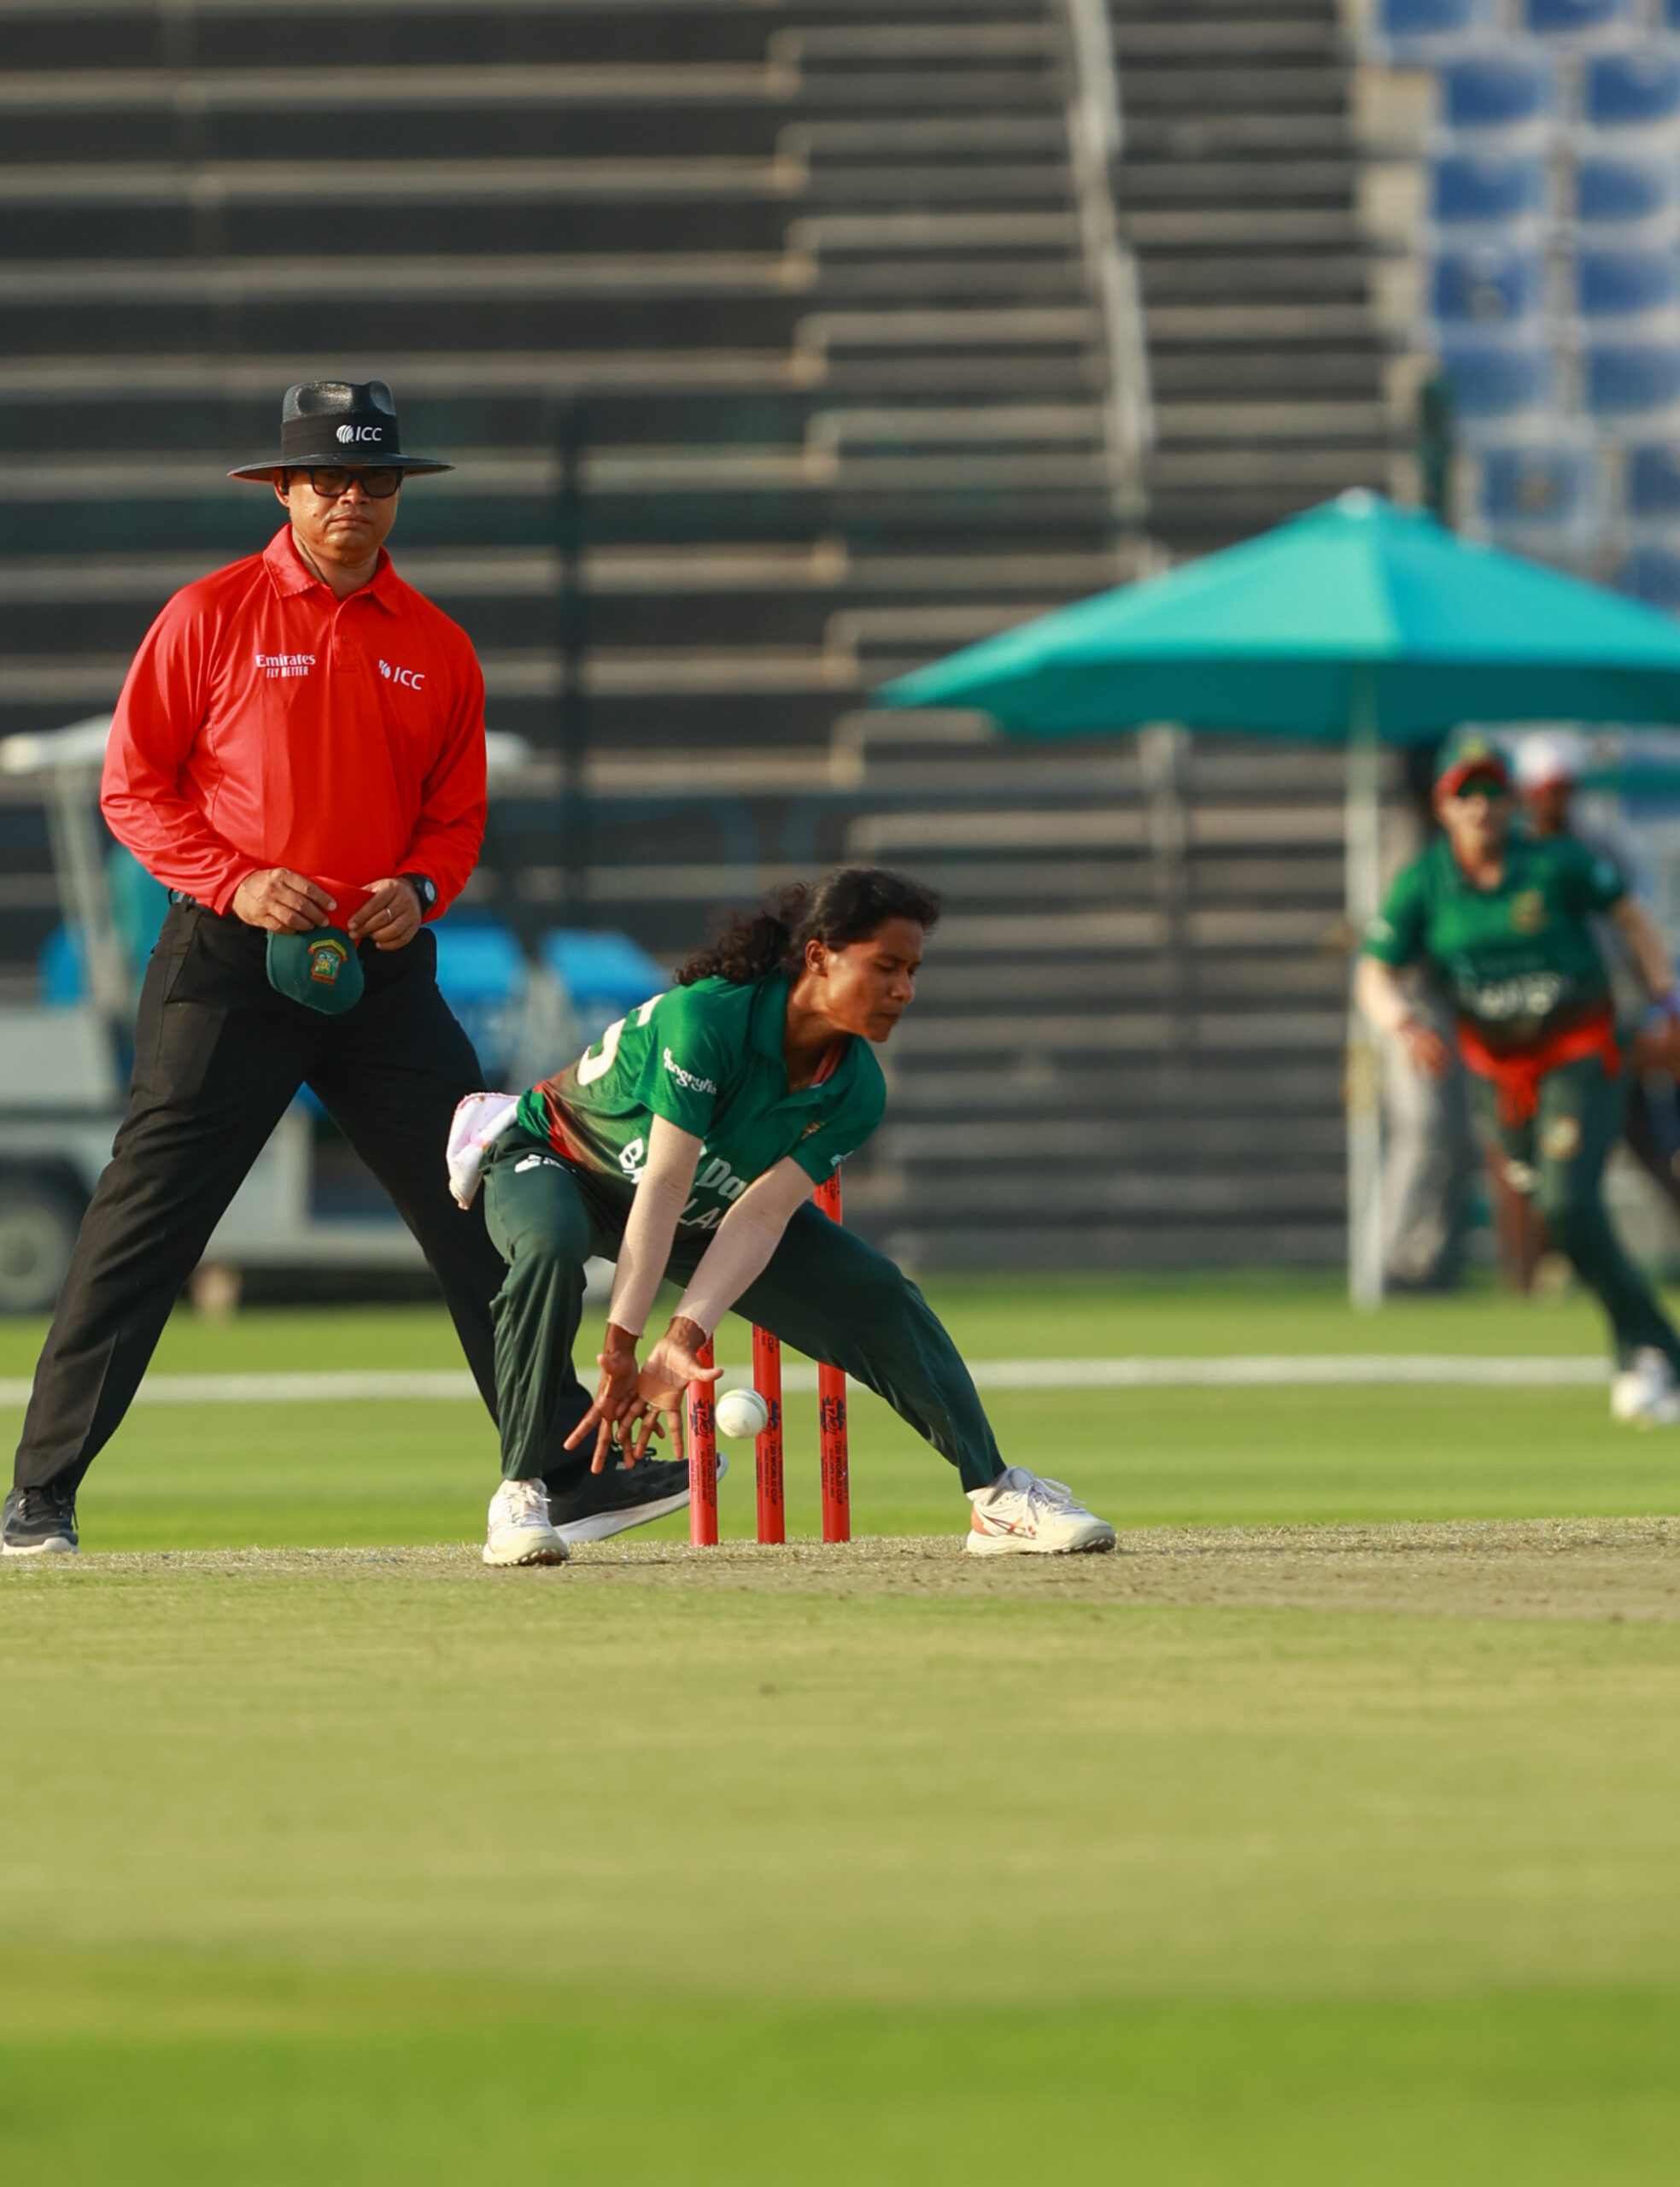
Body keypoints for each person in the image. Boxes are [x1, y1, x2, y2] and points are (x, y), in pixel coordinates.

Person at [4, 380, 521, 1555]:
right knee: (144, 1222)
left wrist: (421, 888)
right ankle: (39, 1498)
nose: (352, 500)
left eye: (374, 480)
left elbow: (455, 816)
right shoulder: (210, 615)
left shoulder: (437, 647)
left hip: (380, 969)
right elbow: (132, 789)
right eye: (328, 480)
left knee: (490, 1200)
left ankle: (554, 1470)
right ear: (283, 490)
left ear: (400, 494)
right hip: (232, 963)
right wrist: (235, 880)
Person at [448, 867, 1118, 1565]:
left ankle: (998, 1498)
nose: (904, 991)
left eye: (912, 971)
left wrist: (681, 1337)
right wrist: (620, 1342)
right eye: (885, 967)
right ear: (820, 956)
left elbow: (759, 1218)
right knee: (550, 1247)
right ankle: (522, 1493)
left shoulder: (855, 1089)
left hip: (696, 1210)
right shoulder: (708, 1018)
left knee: (879, 1293)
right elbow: (666, 1181)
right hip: (561, 1159)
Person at [1357, 738, 1680, 1425]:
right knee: (1560, 1216)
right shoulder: (1425, 882)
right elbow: (1374, 970)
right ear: (1442, 806)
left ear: (1509, 800)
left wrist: (1662, 999)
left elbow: (1631, 918)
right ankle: (1647, 1346)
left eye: (1490, 792)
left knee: (1567, 1200)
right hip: (1498, 1076)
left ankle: (1652, 1349)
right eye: (1465, 794)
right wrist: (1401, 1024)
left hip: (1580, 1053)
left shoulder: (1552, 862)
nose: (1480, 807)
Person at [1515, 729, 1680, 1228]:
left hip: (1612, 1024)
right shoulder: (1515, 860)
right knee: (1543, 1159)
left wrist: (1663, 1005)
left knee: (1656, 1141)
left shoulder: (1601, 852)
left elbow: (1637, 930)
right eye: (1547, 791)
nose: (1557, 801)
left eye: (1564, 789)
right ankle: (1540, 1272)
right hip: (1544, 1032)